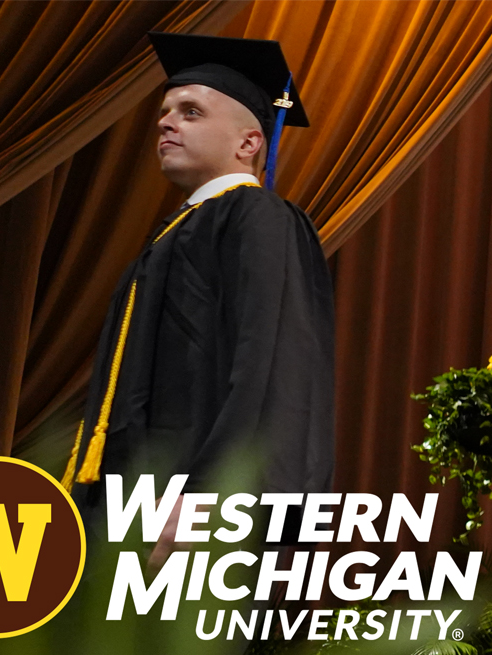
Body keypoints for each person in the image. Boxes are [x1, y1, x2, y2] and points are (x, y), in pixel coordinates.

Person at [59, 34, 334, 555]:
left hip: (193, 516)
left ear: (249, 143)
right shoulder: (175, 231)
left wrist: (209, 497)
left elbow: (271, 365)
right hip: (142, 502)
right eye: (165, 111)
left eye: (190, 112)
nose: (165, 122)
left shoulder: (259, 218)